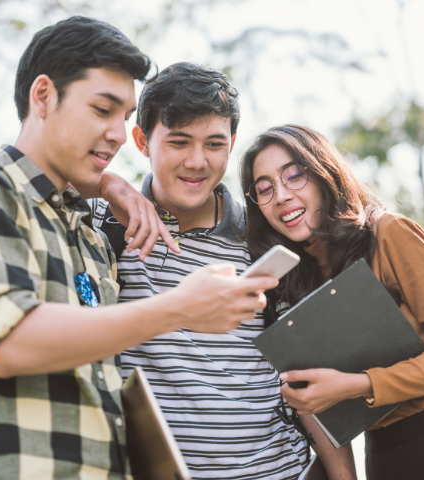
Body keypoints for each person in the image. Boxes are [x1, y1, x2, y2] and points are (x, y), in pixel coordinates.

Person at [0, 18, 277, 480]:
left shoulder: (89, 234)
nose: (115, 132)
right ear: (43, 96)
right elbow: (8, 341)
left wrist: (107, 185)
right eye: (102, 109)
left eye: (123, 116)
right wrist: (178, 308)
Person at [239, 124, 424, 480]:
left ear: (323, 173)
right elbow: (314, 403)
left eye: (295, 176)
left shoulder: (388, 233)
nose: (282, 195)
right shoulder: (291, 285)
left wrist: (358, 384)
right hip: (383, 458)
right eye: (265, 189)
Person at [90, 63, 312, 479]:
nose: (197, 161)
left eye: (213, 143)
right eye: (178, 141)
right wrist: (108, 185)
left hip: (279, 471)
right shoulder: (104, 223)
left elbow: (306, 375)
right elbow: (32, 169)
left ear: (230, 145)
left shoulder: (263, 236)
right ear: (141, 141)